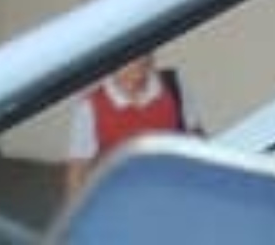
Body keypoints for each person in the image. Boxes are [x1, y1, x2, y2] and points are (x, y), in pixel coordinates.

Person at [61, 53, 200, 201]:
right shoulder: (90, 105)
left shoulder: (173, 84)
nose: (139, 60)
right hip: (122, 199)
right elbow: (78, 171)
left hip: (175, 192)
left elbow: (195, 139)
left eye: (145, 52)